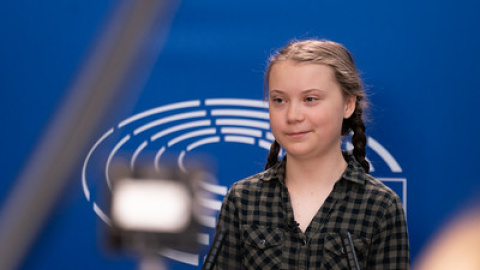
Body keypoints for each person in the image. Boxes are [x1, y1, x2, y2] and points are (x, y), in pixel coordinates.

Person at [203, 39, 410, 269]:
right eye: (279, 100)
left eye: (310, 99)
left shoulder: (381, 206)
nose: (292, 115)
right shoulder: (242, 199)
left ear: (348, 104)